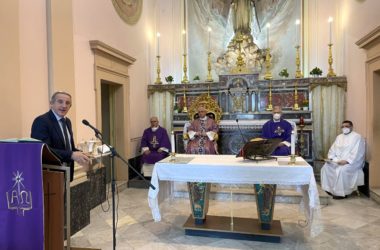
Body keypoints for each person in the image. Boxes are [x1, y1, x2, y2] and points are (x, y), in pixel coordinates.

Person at [31, 91, 90, 181]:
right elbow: (43, 150)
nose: (64, 106)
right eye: (60, 101)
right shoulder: (42, 121)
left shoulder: (67, 121)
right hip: (50, 175)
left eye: (67, 103)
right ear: (51, 103)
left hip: (66, 172)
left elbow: (67, 147)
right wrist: (71, 154)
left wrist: (80, 154)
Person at [321, 120, 365, 199]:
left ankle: (342, 193)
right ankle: (329, 189)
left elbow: (357, 152)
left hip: (351, 162)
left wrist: (347, 161)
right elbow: (332, 150)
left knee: (342, 170)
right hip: (338, 160)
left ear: (351, 127)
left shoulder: (357, 137)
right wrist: (331, 159)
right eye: (343, 126)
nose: (344, 128)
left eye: (347, 126)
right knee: (326, 167)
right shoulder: (339, 137)